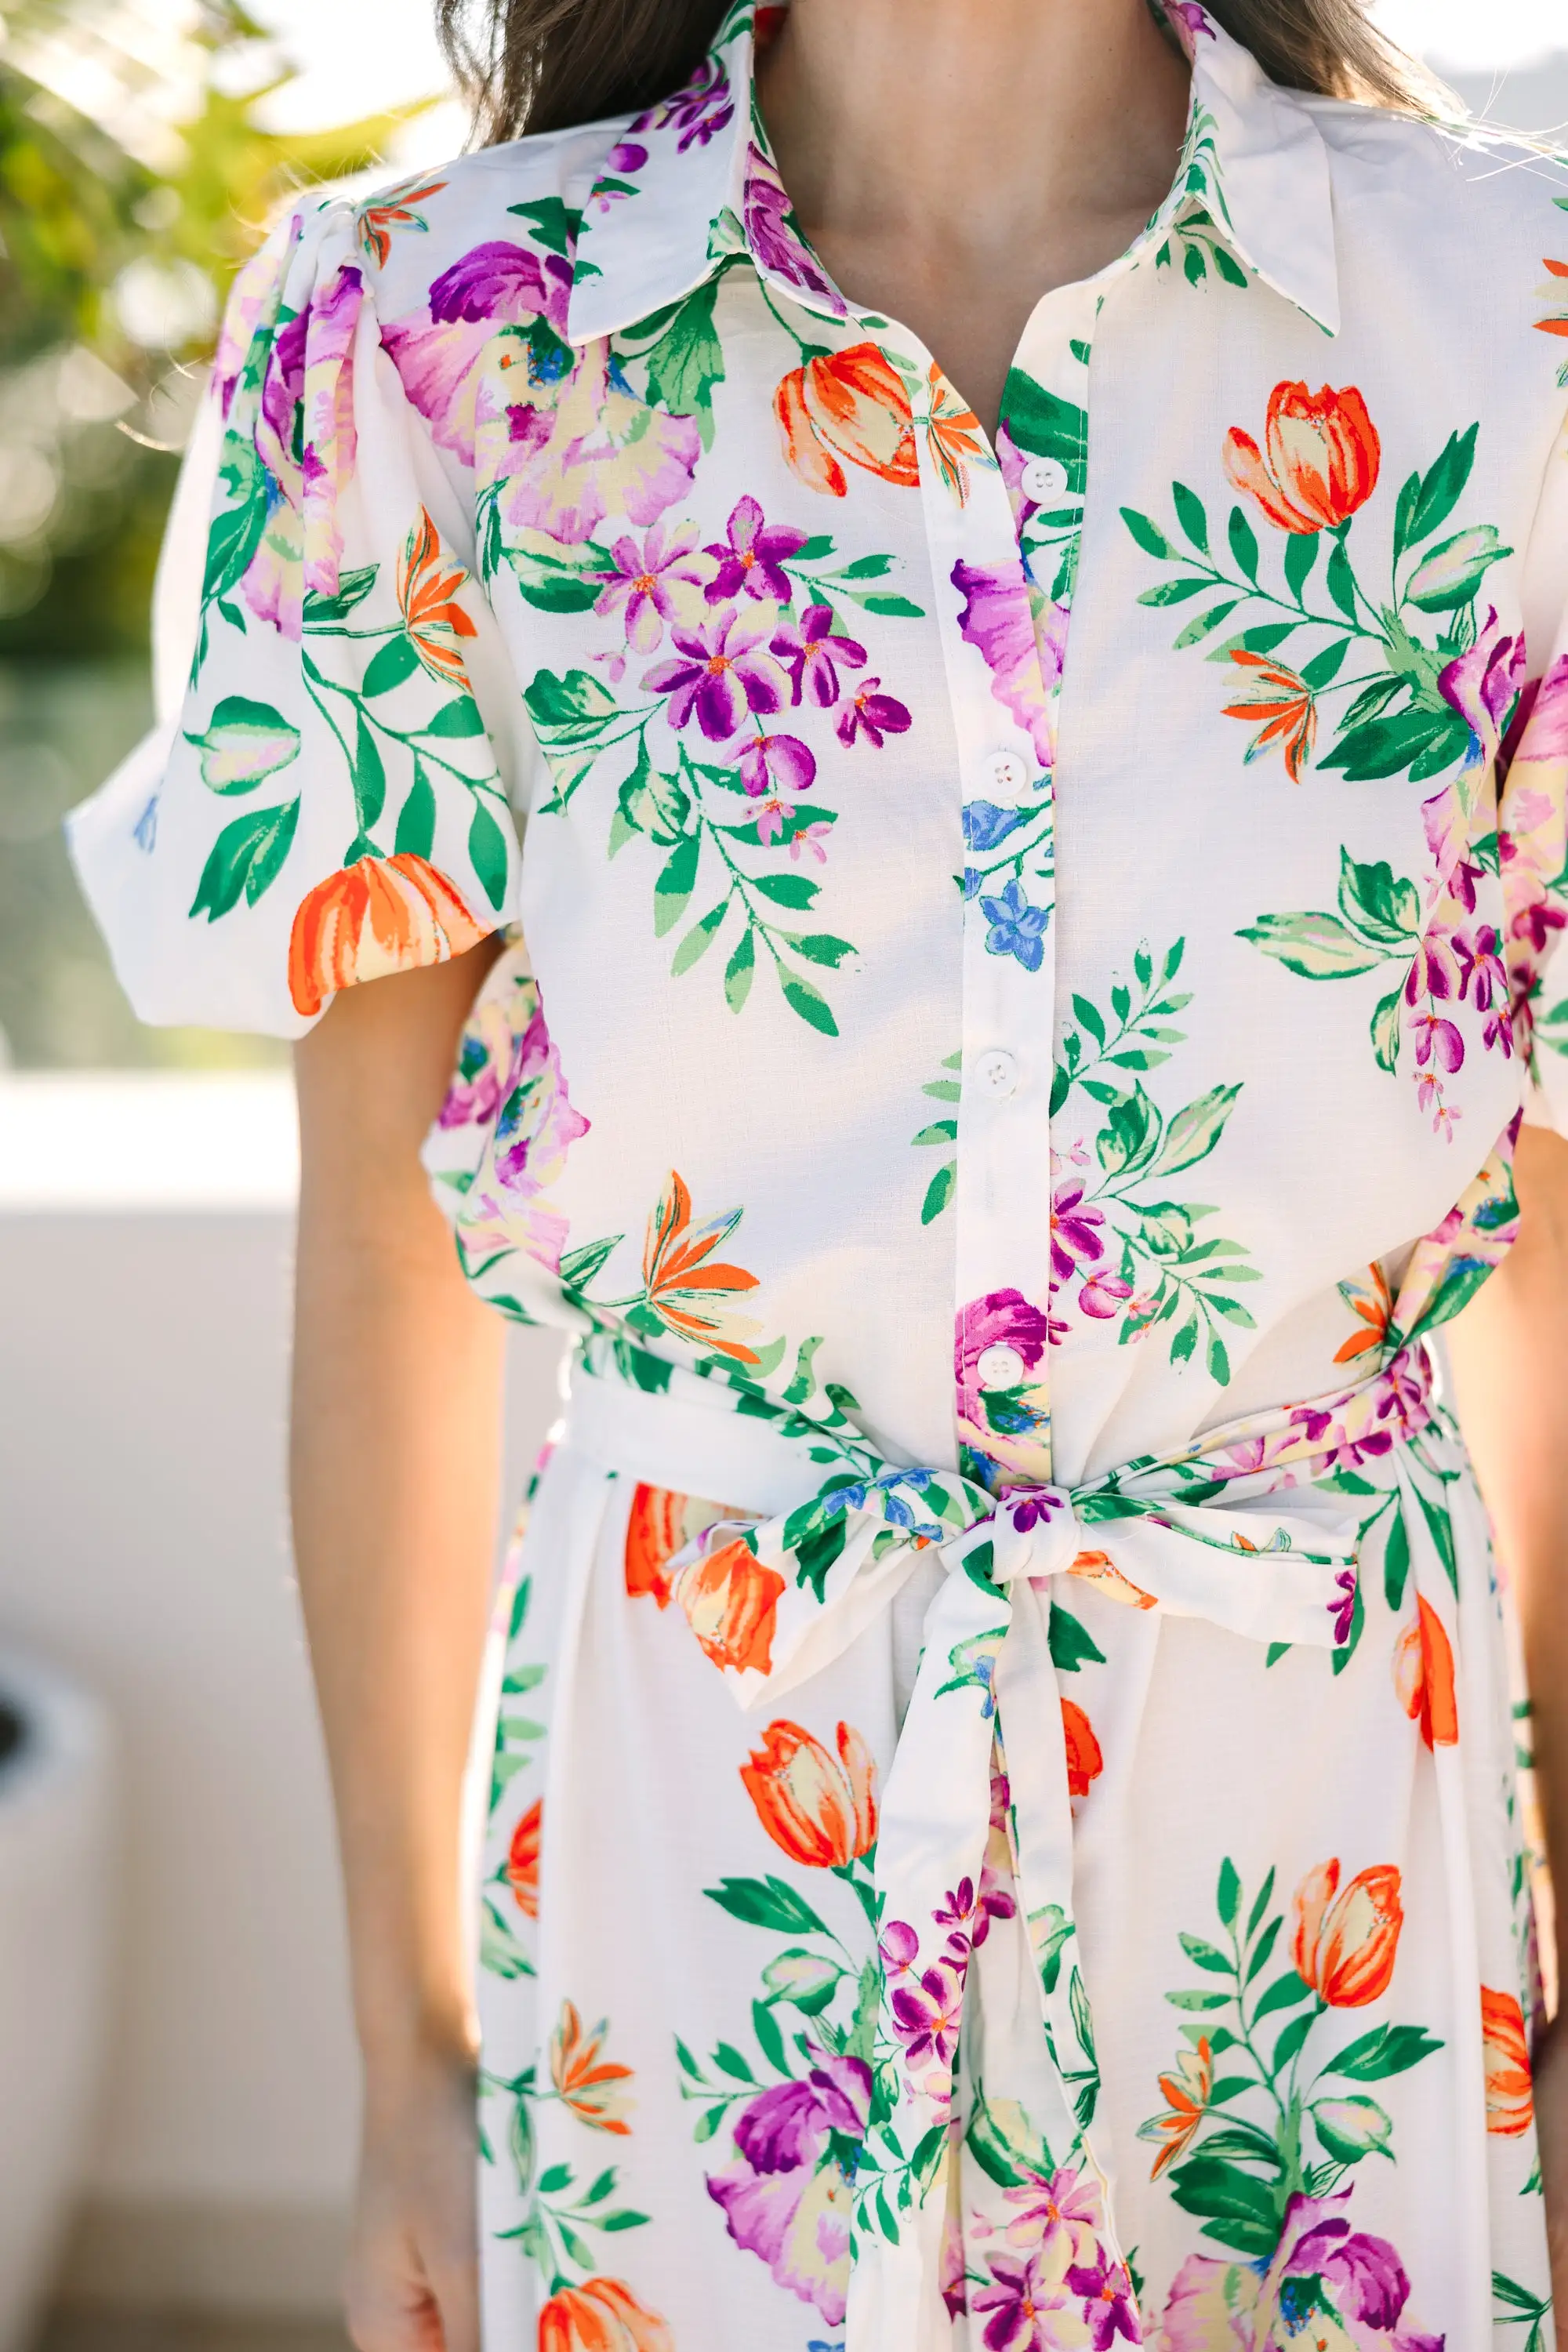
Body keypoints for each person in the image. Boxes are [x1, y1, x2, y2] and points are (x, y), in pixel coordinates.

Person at [67, 0, 1568, 2341]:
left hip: (1328, 1861)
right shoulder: (418, 340)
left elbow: (1548, 1252)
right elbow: (378, 1258)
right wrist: (405, 2065)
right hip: (691, 1880)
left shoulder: (1517, 322)